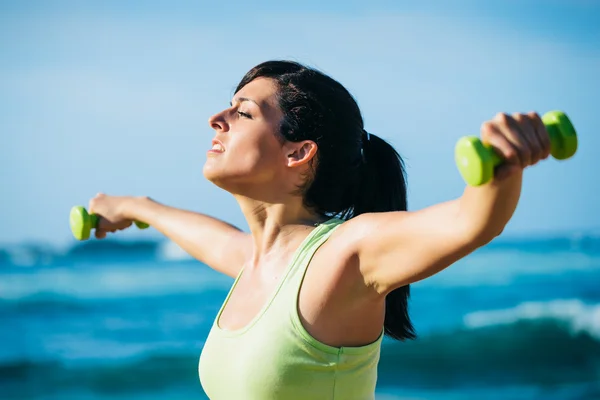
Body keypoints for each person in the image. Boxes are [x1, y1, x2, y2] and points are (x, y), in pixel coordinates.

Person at [87, 60, 551, 399]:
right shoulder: (256, 262)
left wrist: (502, 170)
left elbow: (471, 222)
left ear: (298, 153)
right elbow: (203, 233)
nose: (217, 119)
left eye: (243, 113)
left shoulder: (346, 253)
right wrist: (133, 206)